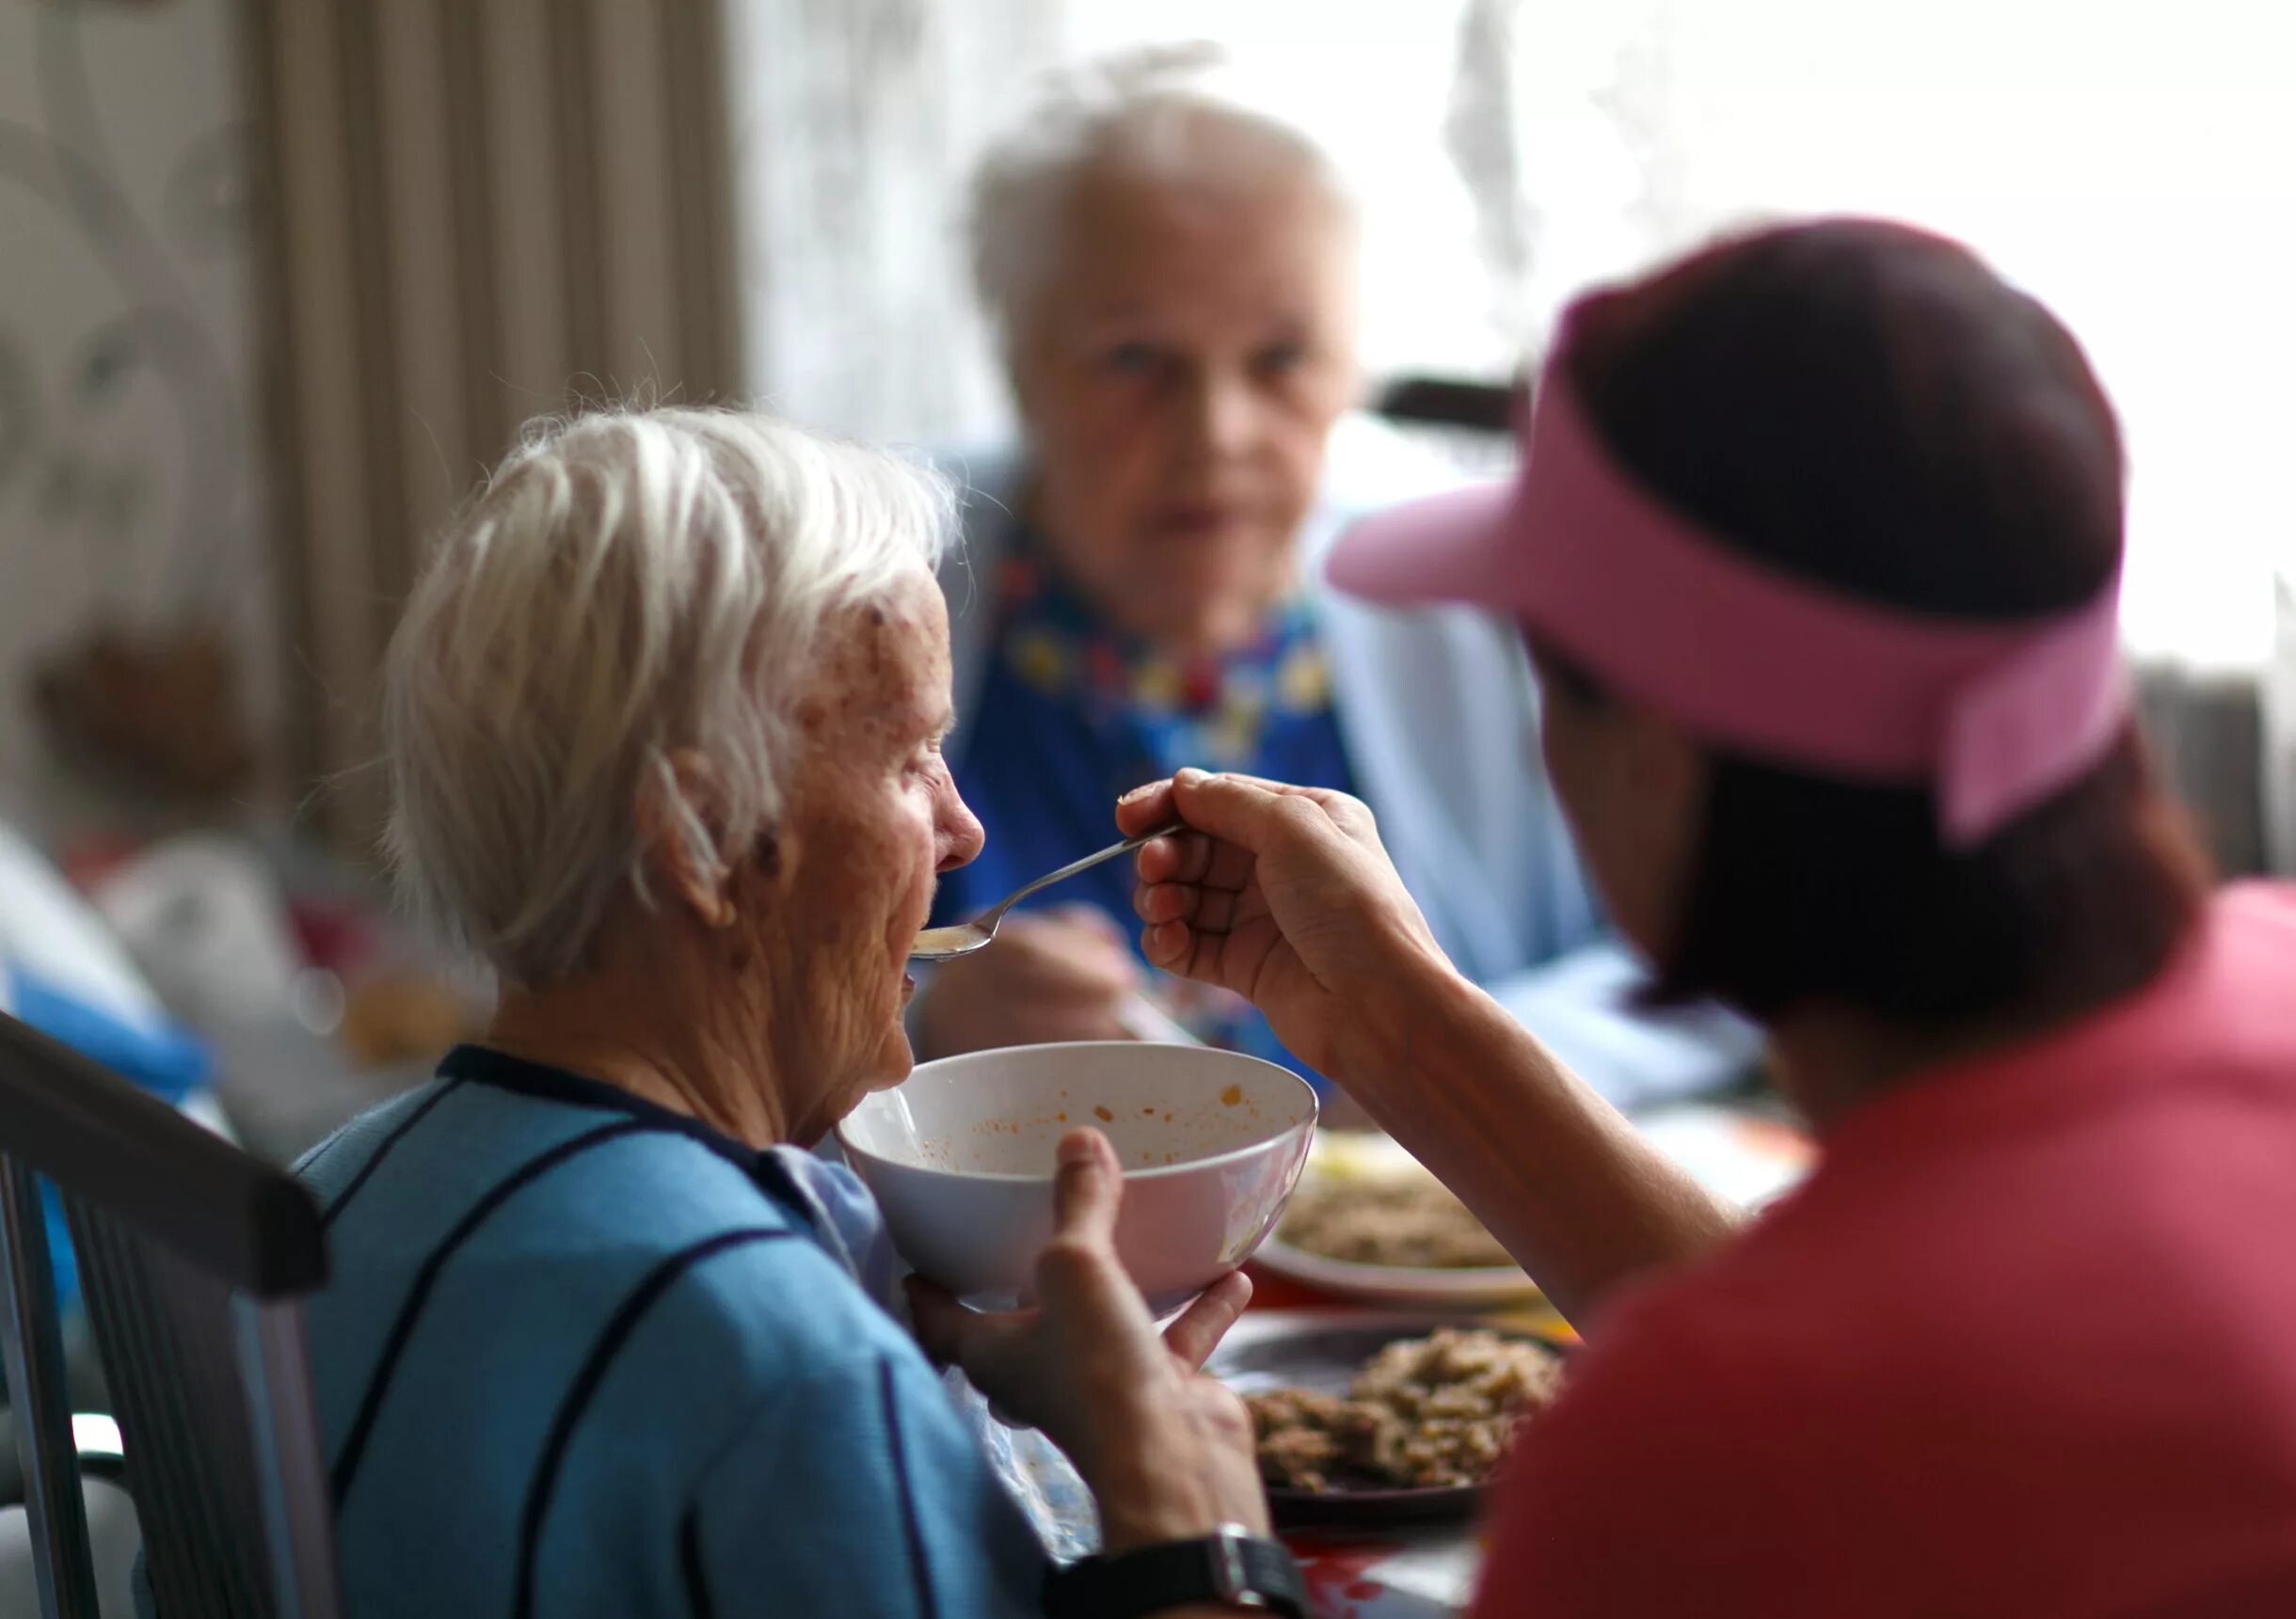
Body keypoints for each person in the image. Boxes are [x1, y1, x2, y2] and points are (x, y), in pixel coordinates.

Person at [1100, 219, 2296, 1614]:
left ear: (1657, 756)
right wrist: (1398, 1026)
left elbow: (1809, 1407)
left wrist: (1191, 1564)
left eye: (1542, 668)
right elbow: (1886, 1372)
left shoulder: (1686, 1465)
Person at [301, 408, 1290, 1618]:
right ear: (704, 838)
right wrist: (1193, 1537)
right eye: (910, 755)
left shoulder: (314, 1207)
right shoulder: (791, 1366)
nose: (963, 829)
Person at [916, 45, 1758, 1108]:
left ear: (1352, 367)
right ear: (1020, 361)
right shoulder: (867, 590)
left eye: (1279, 360)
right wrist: (921, 1022)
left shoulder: (1477, 606)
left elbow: (1708, 955)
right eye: (1135, 359)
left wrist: (1443, 1063)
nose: (1215, 435)